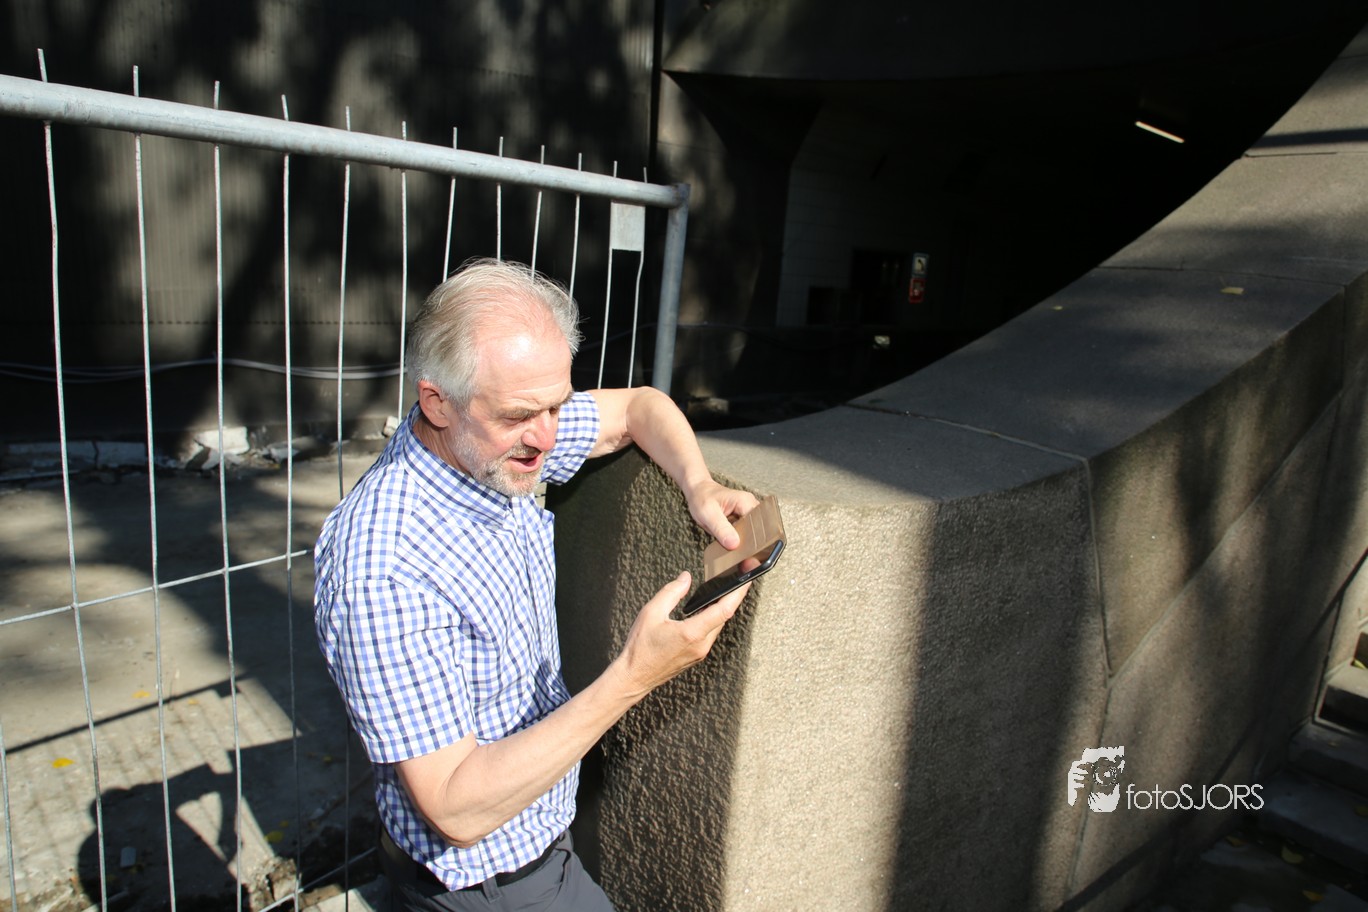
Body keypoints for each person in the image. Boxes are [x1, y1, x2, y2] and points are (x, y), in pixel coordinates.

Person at [314, 258, 758, 911]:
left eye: (558, 404)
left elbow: (640, 406)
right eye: (522, 414)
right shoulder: (382, 567)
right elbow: (455, 808)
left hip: (538, 847)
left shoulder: (488, 442)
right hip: (484, 885)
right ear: (436, 401)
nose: (547, 437)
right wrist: (635, 674)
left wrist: (699, 486)